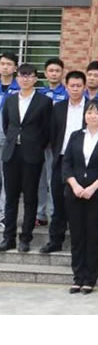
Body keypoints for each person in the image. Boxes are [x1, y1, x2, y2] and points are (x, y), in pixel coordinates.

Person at [62, 99, 98, 294]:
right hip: (74, 192)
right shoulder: (76, 135)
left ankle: (90, 278)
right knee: (77, 236)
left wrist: (93, 187)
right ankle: (78, 277)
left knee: (93, 236)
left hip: (97, 193)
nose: (93, 116)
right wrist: (75, 185)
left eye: (97, 113)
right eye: (89, 112)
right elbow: (66, 163)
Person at [0, 64, 52, 252]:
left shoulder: (44, 101)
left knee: (30, 197)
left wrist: (37, 145)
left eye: (29, 76)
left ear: (35, 79)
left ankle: (25, 238)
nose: (25, 79)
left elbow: (47, 129)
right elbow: (7, 125)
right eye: (22, 75)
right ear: (17, 78)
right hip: (11, 153)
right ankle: (8, 238)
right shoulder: (10, 100)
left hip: (32, 154)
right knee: (11, 198)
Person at [41, 71, 88, 254]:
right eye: (72, 86)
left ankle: (80, 242)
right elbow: (52, 133)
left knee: (80, 202)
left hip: (84, 161)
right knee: (58, 200)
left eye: (79, 86)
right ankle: (55, 240)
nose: (75, 89)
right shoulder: (58, 108)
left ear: (84, 87)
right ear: (66, 87)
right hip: (60, 159)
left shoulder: (91, 108)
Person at [36, 58, 67, 227]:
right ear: (46, 73)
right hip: (39, 143)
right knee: (39, 180)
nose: (54, 74)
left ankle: (55, 213)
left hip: (57, 144)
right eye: (51, 71)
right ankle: (40, 214)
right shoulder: (39, 93)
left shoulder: (67, 94)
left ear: (62, 73)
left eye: (57, 71)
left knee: (53, 181)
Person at [0, 52, 20, 228]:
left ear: (15, 68)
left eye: (8, 64)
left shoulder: (20, 88)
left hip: (10, 139)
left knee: (7, 177)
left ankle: (3, 214)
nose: (5, 67)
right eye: (2, 64)